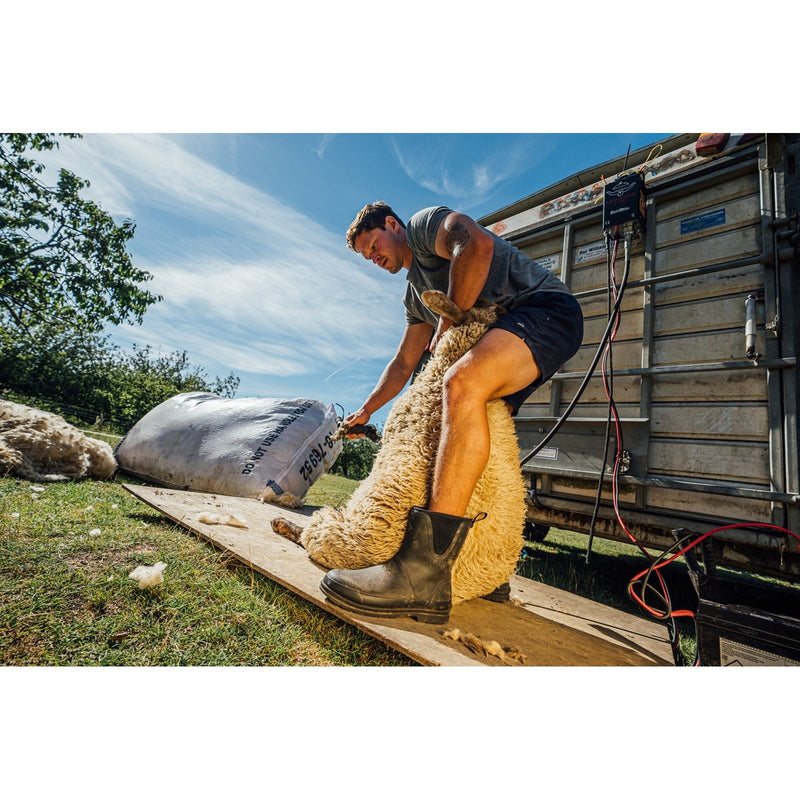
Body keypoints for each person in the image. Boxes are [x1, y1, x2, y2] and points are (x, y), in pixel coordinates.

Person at [319, 202, 584, 623]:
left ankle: (424, 572)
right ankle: (481, 564)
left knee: (460, 384)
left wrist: (449, 318)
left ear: (392, 225)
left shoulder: (425, 229)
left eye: (372, 245)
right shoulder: (413, 296)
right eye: (365, 256)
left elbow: (474, 244)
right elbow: (404, 362)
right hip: (502, 329)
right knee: (479, 422)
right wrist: (367, 410)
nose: (372, 257)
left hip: (543, 311)